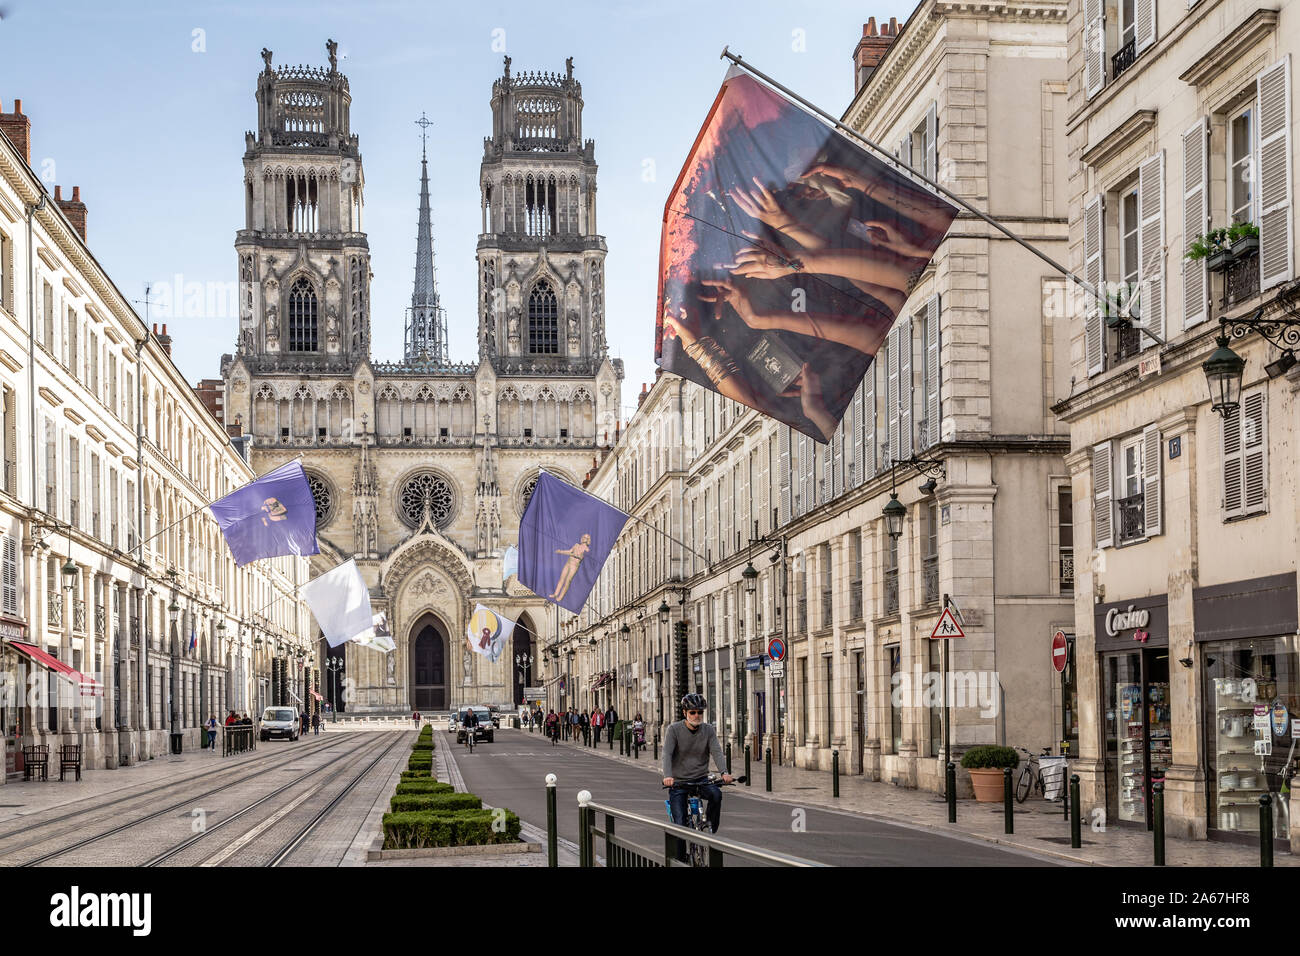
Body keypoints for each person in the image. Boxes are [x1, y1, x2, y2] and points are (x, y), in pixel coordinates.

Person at [663, 694, 733, 859]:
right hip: (679, 782)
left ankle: (710, 825)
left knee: (716, 794)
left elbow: (716, 751)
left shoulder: (708, 730)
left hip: (701, 778)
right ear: (685, 712)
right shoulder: (673, 730)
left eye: (700, 712)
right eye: (693, 712)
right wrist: (668, 776)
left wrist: (724, 772)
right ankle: (681, 860)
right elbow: (666, 753)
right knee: (680, 824)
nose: (697, 716)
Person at [549, 533, 591, 603]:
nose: (584, 539)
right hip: (569, 562)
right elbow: (569, 551)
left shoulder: (587, 549)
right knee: (562, 578)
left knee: (568, 580)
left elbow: (581, 557)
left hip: (575, 564)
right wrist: (561, 551)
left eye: (586, 538)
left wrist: (563, 552)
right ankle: (555, 594)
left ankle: (560, 597)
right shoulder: (576, 545)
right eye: (583, 537)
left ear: (588, 540)